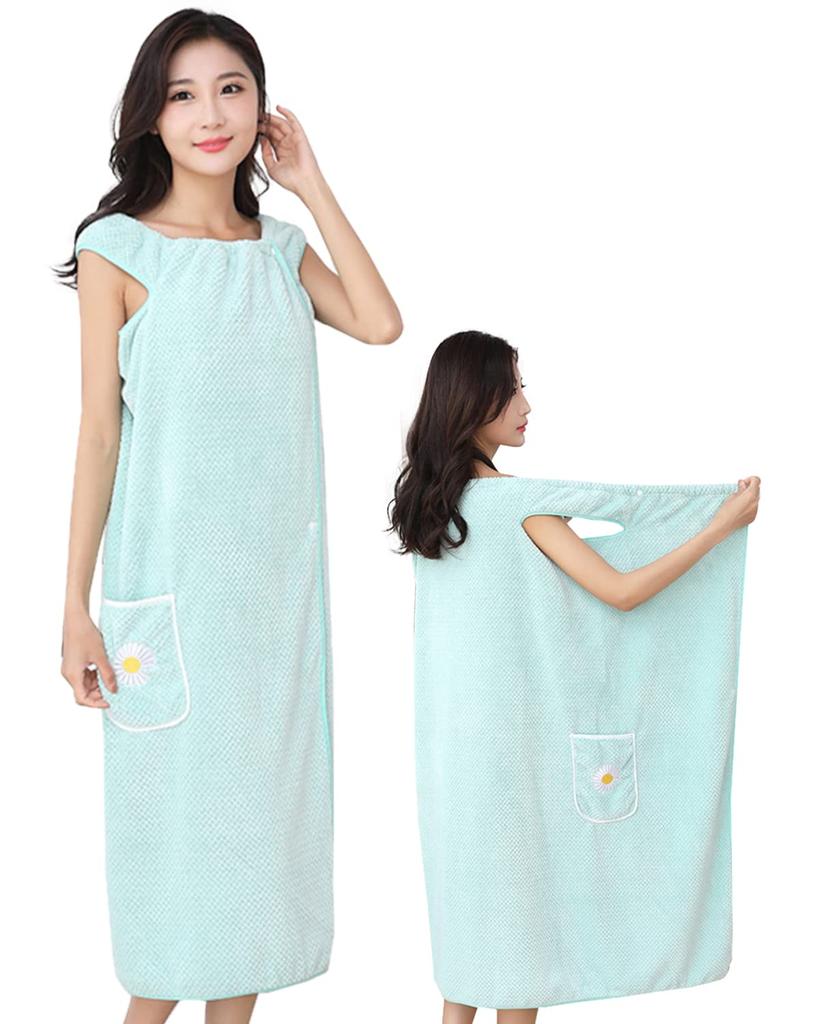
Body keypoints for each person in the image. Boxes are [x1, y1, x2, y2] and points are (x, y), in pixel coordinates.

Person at [56, 9, 401, 1023]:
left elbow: (380, 323)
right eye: (182, 94)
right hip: (169, 607)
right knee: (175, 890)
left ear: (261, 107)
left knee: (251, 876)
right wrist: (74, 608)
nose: (210, 114)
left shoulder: (281, 251)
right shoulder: (118, 250)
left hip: (271, 621)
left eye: (231, 89)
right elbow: (98, 436)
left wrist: (312, 186)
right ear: (150, 117)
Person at [388, 329, 759, 1024]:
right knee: (523, 958)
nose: (527, 405)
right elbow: (620, 591)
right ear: (475, 398)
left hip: (452, 761)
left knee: (470, 948)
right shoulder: (515, 504)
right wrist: (719, 526)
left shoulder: (434, 510)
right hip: (513, 765)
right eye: (514, 388)